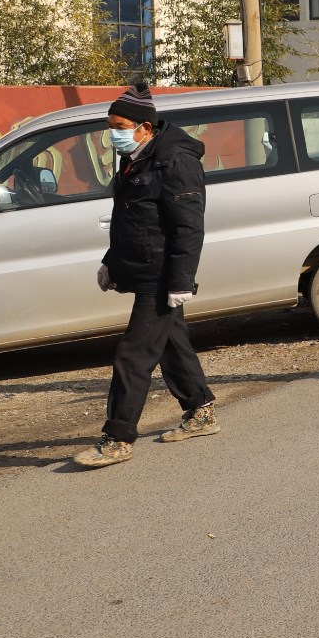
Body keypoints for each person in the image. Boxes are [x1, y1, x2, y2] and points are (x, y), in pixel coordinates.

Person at [75, 84, 215, 468]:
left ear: (145, 127)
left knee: (133, 354)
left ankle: (118, 438)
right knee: (171, 343)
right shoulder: (135, 158)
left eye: (120, 127)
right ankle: (200, 411)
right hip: (144, 268)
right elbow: (130, 220)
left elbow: (189, 227)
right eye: (110, 126)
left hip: (162, 275)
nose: (113, 134)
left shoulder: (175, 162)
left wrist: (181, 281)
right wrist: (112, 262)